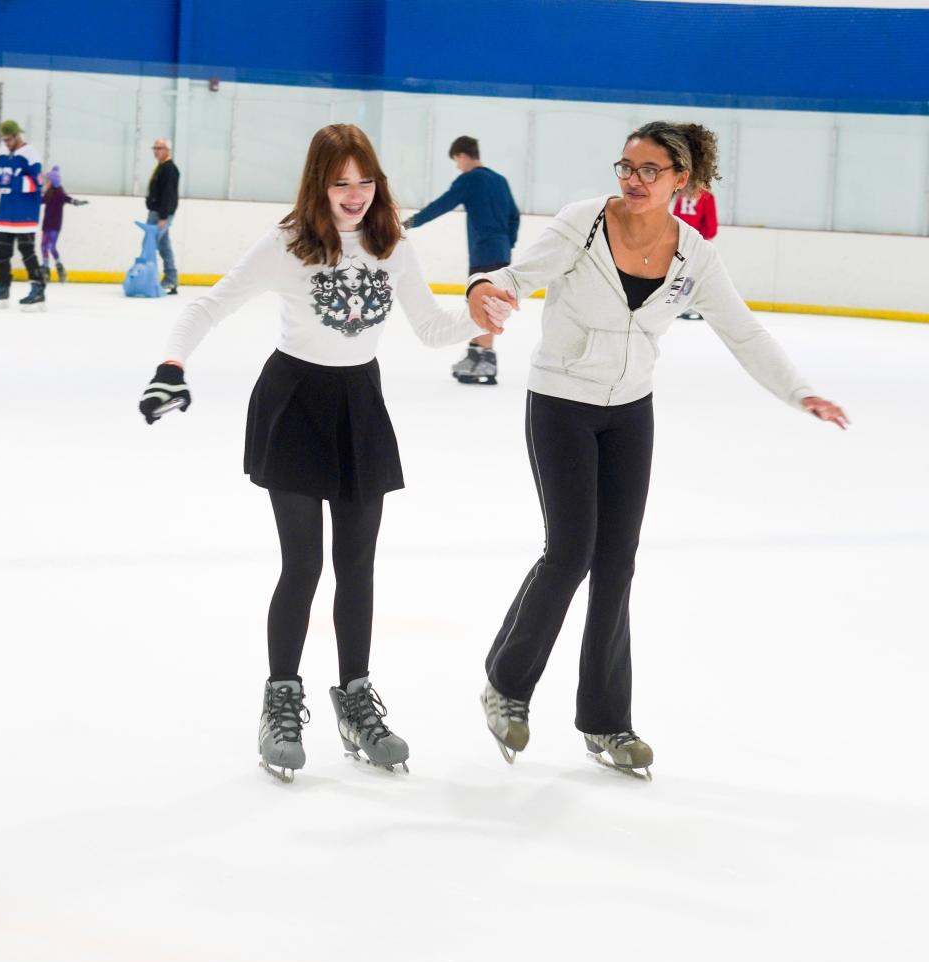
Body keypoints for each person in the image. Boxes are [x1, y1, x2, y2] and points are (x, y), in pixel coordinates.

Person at [466, 121, 848, 779]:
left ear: (681, 181)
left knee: (617, 562)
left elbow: (745, 334)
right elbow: (516, 276)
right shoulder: (584, 224)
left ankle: (607, 721)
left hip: (629, 412)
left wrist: (800, 392)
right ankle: (507, 683)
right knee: (571, 551)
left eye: (649, 171)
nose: (633, 181)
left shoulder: (693, 253)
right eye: (626, 166)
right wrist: (485, 291)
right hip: (561, 402)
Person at [138, 124, 502, 782]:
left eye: (366, 181)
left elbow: (427, 328)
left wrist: (481, 320)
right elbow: (210, 305)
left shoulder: (393, 245)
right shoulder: (289, 244)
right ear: (319, 184)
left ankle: (355, 699)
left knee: (357, 566)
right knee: (303, 564)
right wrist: (171, 364)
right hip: (295, 402)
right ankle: (281, 698)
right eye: (342, 182)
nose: (356, 194)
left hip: (360, 403)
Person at [403, 135, 519, 386]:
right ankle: (475, 355)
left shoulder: (470, 179)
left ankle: (485, 358)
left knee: (485, 305)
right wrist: (507, 243)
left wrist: (408, 224)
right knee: (481, 302)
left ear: (463, 156)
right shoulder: (500, 180)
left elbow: (441, 205)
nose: (457, 166)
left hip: (484, 253)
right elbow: (514, 216)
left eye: (457, 161)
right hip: (499, 251)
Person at [0, 119, 45, 307]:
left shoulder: (30, 154)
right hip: (5, 212)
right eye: (5, 140)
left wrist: (13, 181)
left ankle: (38, 288)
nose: (7, 143)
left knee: (27, 251)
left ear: (18, 136)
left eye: (10, 139)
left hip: (25, 213)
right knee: (1, 252)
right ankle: (3, 287)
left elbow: (38, 184)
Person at [671, 184, 718, 321]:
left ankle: (679, 306)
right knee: (699, 275)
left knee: (680, 273)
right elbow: (711, 226)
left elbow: (675, 218)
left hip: (681, 240)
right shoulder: (707, 196)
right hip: (698, 241)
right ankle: (698, 306)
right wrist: (705, 239)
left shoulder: (681, 194)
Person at [40, 165, 88, 282]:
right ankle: (45, 269)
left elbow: (68, 199)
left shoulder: (60, 194)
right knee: (43, 246)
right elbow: (40, 201)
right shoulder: (48, 194)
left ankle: (60, 267)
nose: (45, 183)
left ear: (52, 181)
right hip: (46, 225)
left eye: (47, 180)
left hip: (55, 226)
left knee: (51, 246)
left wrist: (77, 202)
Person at [146, 136, 180, 293]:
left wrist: (163, 217)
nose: (156, 151)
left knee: (149, 244)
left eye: (159, 148)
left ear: (167, 150)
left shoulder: (169, 169)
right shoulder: (162, 167)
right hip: (157, 212)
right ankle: (171, 280)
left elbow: (168, 194)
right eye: (155, 148)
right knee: (164, 246)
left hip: (161, 214)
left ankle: (148, 279)